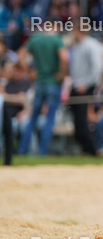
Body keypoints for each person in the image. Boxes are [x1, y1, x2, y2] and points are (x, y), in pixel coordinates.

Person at [18, 25, 68, 155]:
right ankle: (42, 151)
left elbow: (20, 55)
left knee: (33, 117)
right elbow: (64, 58)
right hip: (53, 82)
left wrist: (29, 72)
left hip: (39, 82)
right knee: (50, 119)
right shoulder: (56, 39)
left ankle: (23, 149)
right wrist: (62, 74)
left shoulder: (35, 39)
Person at [66, 22, 103, 156]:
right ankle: (85, 148)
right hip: (76, 85)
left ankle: (92, 149)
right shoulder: (77, 46)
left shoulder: (91, 45)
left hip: (85, 87)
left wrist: (87, 83)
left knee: (83, 120)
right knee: (77, 120)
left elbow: (98, 68)